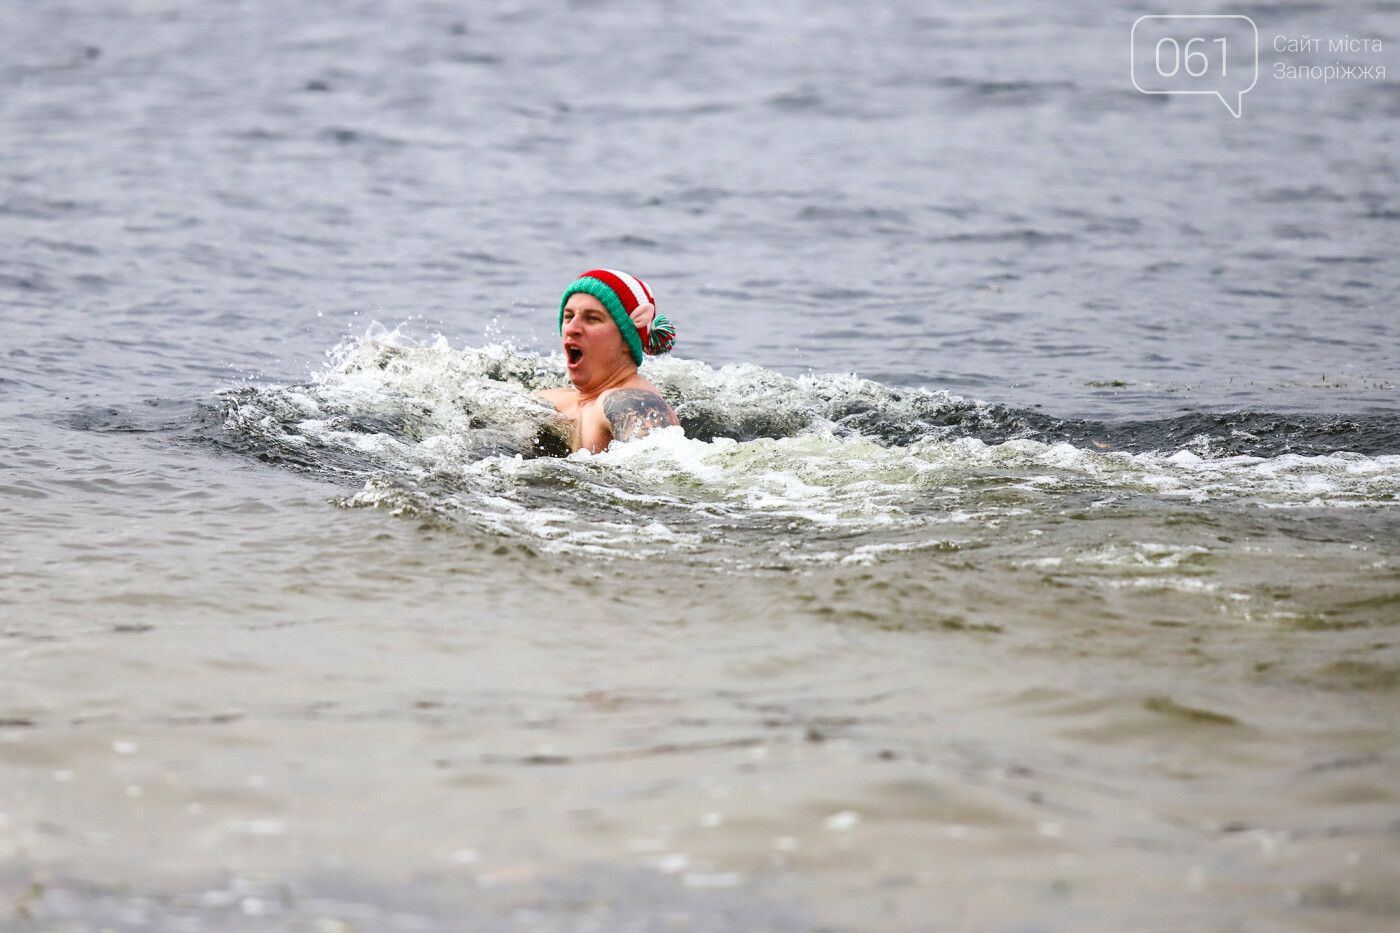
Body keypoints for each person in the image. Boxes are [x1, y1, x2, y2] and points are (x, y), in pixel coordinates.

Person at [537, 269, 680, 453]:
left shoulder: (629, 400)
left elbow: (662, 469)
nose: (572, 328)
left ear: (627, 340)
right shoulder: (553, 401)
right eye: (569, 316)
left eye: (592, 319)